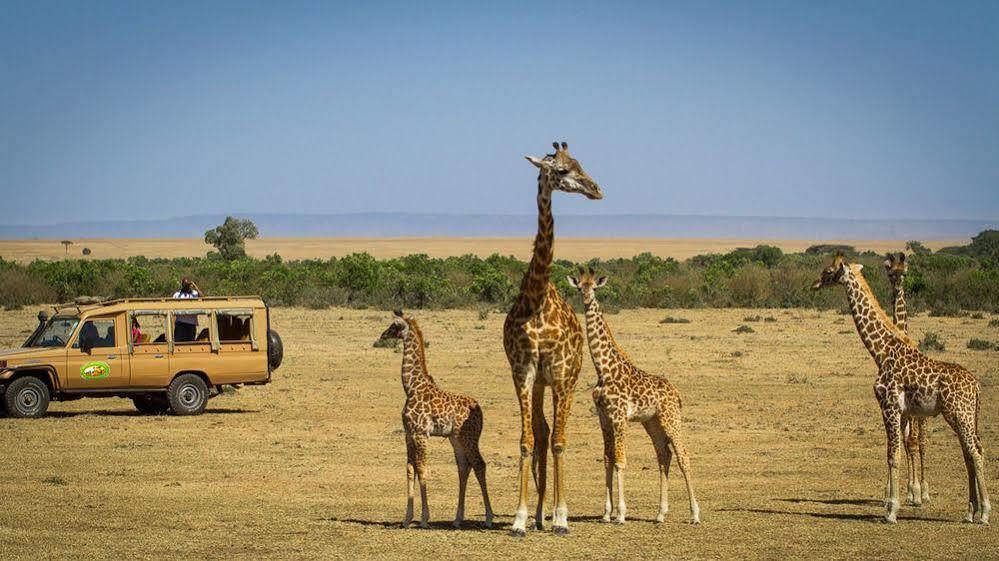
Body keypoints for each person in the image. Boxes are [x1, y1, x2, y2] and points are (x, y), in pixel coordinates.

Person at [172, 277, 204, 342]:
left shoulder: (194, 294)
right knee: (179, 344)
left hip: (191, 324)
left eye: (188, 284)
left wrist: (195, 286)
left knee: (190, 343)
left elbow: (203, 298)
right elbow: (172, 309)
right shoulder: (177, 295)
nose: (187, 286)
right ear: (182, 285)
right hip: (180, 323)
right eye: (185, 284)